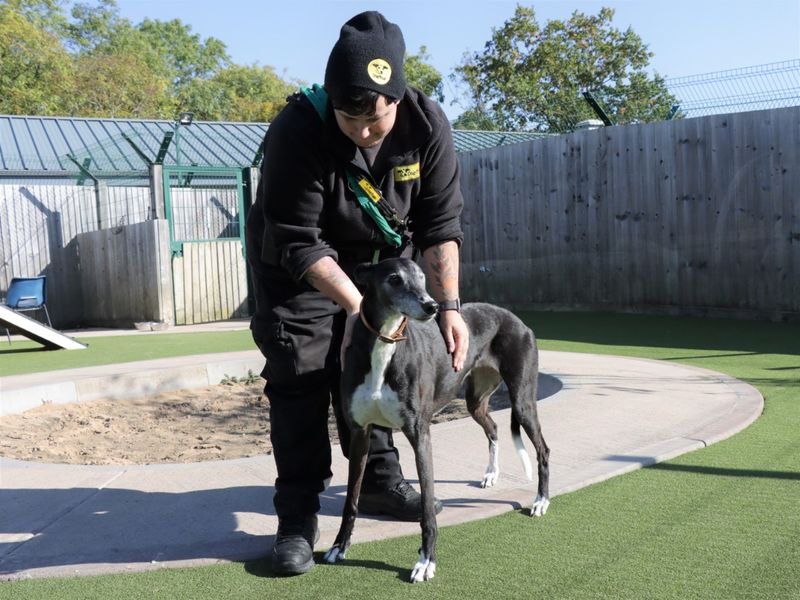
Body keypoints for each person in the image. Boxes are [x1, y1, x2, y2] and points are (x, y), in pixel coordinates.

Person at [245, 10, 469, 576]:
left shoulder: (426, 124)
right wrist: (360, 311)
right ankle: (296, 516)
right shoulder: (297, 129)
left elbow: (440, 225)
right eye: (352, 118)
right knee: (303, 367)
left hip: (381, 265)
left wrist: (449, 307)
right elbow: (300, 242)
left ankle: (378, 483)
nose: (366, 131)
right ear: (333, 100)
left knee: (383, 364)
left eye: (378, 118)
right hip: (299, 267)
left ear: (398, 97)